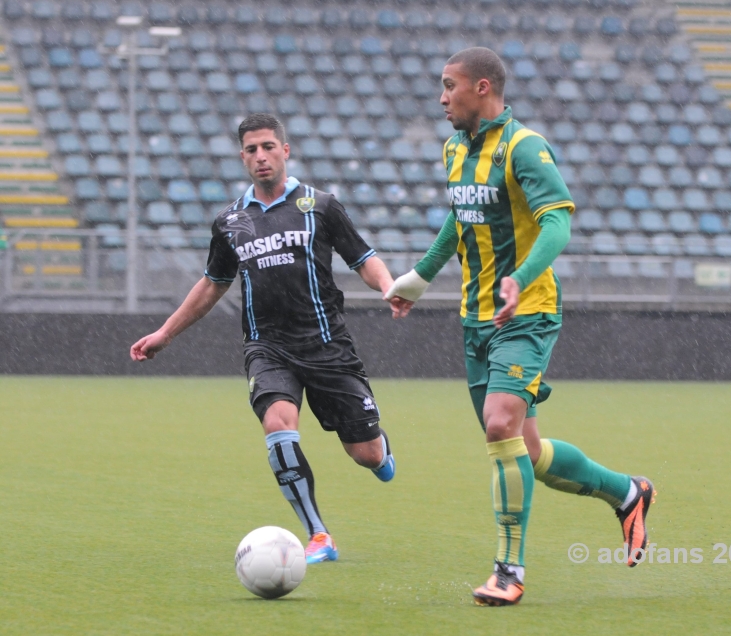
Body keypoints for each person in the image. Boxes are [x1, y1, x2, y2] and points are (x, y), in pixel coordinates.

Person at [385, 48, 656, 606]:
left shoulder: (524, 147)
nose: (441, 98)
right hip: (475, 320)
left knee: (497, 424)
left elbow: (557, 223)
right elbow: (460, 220)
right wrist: (419, 276)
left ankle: (509, 570)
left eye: (449, 86)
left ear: (482, 88)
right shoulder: (453, 150)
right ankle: (628, 493)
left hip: (526, 312)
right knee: (524, 451)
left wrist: (520, 277)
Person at [131, 113, 397, 564]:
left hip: (328, 344)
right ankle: (318, 535)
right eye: (251, 150)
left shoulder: (321, 206)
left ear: (285, 150)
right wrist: (165, 332)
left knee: (365, 454)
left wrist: (390, 288)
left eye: (268, 147)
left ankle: (380, 451)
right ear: (242, 157)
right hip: (267, 346)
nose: (261, 156)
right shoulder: (231, 221)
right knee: (277, 423)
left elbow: (363, 258)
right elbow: (213, 283)